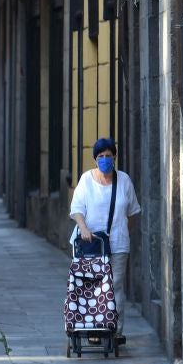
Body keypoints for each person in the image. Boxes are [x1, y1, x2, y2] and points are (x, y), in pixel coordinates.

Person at [69, 136, 140, 344]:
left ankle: (115, 330)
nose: (105, 159)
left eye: (109, 156)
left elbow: (133, 212)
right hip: (90, 244)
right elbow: (77, 209)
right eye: (101, 156)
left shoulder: (124, 180)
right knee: (92, 286)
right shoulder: (86, 180)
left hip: (118, 244)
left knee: (115, 285)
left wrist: (122, 232)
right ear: (95, 159)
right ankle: (93, 328)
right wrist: (83, 228)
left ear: (115, 157)